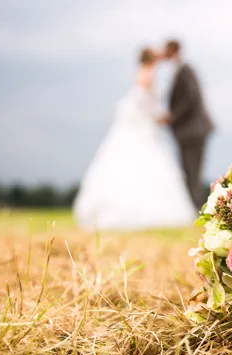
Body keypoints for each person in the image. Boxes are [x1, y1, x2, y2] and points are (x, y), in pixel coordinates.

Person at [73, 48, 196, 230]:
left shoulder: (143, 73)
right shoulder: (147, 75)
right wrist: (158, 117)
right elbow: (144, 103)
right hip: (143, 128)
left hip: (143, 126)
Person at [161, 39, 215, 209]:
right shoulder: (179, 70)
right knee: (188, 172)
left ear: (172, 50)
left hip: (194, 130)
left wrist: (172, 116)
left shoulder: (186, 70)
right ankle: (193, 208)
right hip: (187, 132)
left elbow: (191, 97)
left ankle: (197, 209)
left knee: (193, 172)